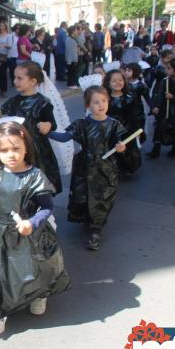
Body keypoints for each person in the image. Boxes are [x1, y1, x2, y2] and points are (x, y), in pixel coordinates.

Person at [0, 122, 71, 341]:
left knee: (35, 268)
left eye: (16, 148)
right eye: (4, 150)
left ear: (26, 147)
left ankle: (38, 295)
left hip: (30, 233)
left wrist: (32, 222)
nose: (10, 154)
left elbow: (46, 206)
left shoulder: (35, 176)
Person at [41, 86, 127, 250]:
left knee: (102, 197)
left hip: (105, 169)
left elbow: (121, 142)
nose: (101, 105)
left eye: (103, 101)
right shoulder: (81, 124)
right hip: (84, 167)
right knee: (82, 195)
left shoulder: (114, 124)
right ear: (88, 105)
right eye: (96, 102)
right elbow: (65, 137)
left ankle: (96, 229)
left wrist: (122, 147)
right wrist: (47, 132)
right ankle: (87, 218)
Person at [0, 61, 62, 193]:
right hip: (15, 146)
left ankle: (40, 203)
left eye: (19, 78)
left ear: (33, 81)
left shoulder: (42, 102)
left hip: (36, 148)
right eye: (14, 77)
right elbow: (0, 112)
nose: (15, 81)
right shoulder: (13, 101)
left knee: (36, 180)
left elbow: (53, 123)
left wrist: (47, 124)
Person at [103, 70, 142, 173]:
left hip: (126, 129)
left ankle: (128, 167)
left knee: (127, 150)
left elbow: (133, 116)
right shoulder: (106, 99)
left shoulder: (129, 98)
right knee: (112, 149)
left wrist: (136, 130)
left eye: (120, 80)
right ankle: (115, 168)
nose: (118, 83)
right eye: (114, 81)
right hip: (111, 130)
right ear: (108, 83)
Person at [148, 57, 175, 158]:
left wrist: (173, 97)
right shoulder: (164, 81)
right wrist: (156, 107)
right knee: (159, 128)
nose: (166, 70)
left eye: (169, 68)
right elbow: (159, 95)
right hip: (164, 110)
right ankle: (156, 150)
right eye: (166, 68)